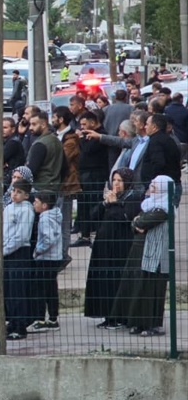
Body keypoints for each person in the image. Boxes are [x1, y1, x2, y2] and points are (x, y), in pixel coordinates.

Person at [110, 176, 173, 337]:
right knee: (137, 287)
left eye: (155, 185)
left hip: (157, 255)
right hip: (140, 250)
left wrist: (139, 222)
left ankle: (152, 324)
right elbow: (135, 223)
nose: (151, 187)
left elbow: (142, 222)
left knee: (151, 289)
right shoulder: (149, 205)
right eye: (152, 184)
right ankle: (138, 322)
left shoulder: (164, 209)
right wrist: (138, 223)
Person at [83, 168, 143, 328]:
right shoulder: (110, 197)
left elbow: (124, 218)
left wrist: (114, 203)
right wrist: (105, 203)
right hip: (104, 246)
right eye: (114, 180)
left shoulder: (133, 197)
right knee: (104, 281)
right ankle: (108, 315)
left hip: (120, 248)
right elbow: (93, 215)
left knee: (117, 281)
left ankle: (119, 316)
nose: (116, 184)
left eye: (120, 181)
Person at [3, 179, 36, 340]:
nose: (14, 194)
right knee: (9, 290)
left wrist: (5, 249)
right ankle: (12, 321)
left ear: (26, 195)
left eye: (19, 192)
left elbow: (22, 235)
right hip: (6, 252)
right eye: (13, 191)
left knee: (18, 290)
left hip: (19, 252)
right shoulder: (8, 208)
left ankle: (20, 325)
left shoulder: (26, 210)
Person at [72, 111, 109, 246]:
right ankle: (85, 234)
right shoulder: (87, 134)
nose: (81, 127)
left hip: (94, 175)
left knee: (93, 205)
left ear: (92, 123)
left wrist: (80, 139)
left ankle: (95, 234)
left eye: (84, 124)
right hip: (85, 174)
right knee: (84, 205)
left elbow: (88, 149)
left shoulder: (100, 135)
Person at [30, 192, 63, 332]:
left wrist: (38, 250)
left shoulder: (44, 218)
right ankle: (53, 318)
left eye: (36, 201)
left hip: (45, 258)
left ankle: (41, 319)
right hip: (55, 257)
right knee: (51, 288)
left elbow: (48, 239)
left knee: (41, 289)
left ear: (44, 205)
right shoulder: (56, 215)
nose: (34, 204)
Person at [53, 106, 80, 261]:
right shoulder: (56, 135)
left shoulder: (71, 139)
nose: (52, 120)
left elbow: (62, 159)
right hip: (56, 184)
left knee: (64, 222)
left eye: (54, 117)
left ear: (61, 119)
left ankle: (62, 255)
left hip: (65, 185)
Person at [138, 113, 182, 196]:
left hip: (162, 188)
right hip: (171, 184)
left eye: (147, 124)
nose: (145, 127)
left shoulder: (156, 141)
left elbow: (158, 164)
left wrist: (152, 185)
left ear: (154, 127)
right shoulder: (169, 139)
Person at [25, 108, 64, 197]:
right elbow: (64, 166)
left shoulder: (40, 144)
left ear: (43, 125)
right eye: (30, 124)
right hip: (55, 186)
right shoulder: (56, 140)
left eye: (34, 124)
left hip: (41, 188)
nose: (30, 128)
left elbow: (31, 170)